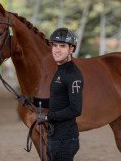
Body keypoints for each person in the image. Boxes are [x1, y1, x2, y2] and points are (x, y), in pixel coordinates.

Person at [37, 27, 84, 161]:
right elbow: (58, 100)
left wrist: (47, 117)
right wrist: (33, 101)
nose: (57, 50)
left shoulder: (73, 75)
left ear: (71, 49)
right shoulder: (60, 70)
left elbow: (75, 109)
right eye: (55, 45)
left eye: (62, 46)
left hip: (65, 140)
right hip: (54, 137)